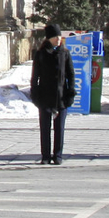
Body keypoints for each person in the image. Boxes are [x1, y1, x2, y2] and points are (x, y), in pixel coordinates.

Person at [29, 22, 76, 165]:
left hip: (61, 97)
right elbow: (35, 76)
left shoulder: (65, 53)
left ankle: (58, 155)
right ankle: (45, 156)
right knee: (45, 128)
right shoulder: (41, 54)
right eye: (55, 36)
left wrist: (71, 93)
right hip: (44, 96)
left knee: (59, 128)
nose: (58, 39)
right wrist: (35, 94)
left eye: (60, 36)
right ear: (49, 38)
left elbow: (71, 74)